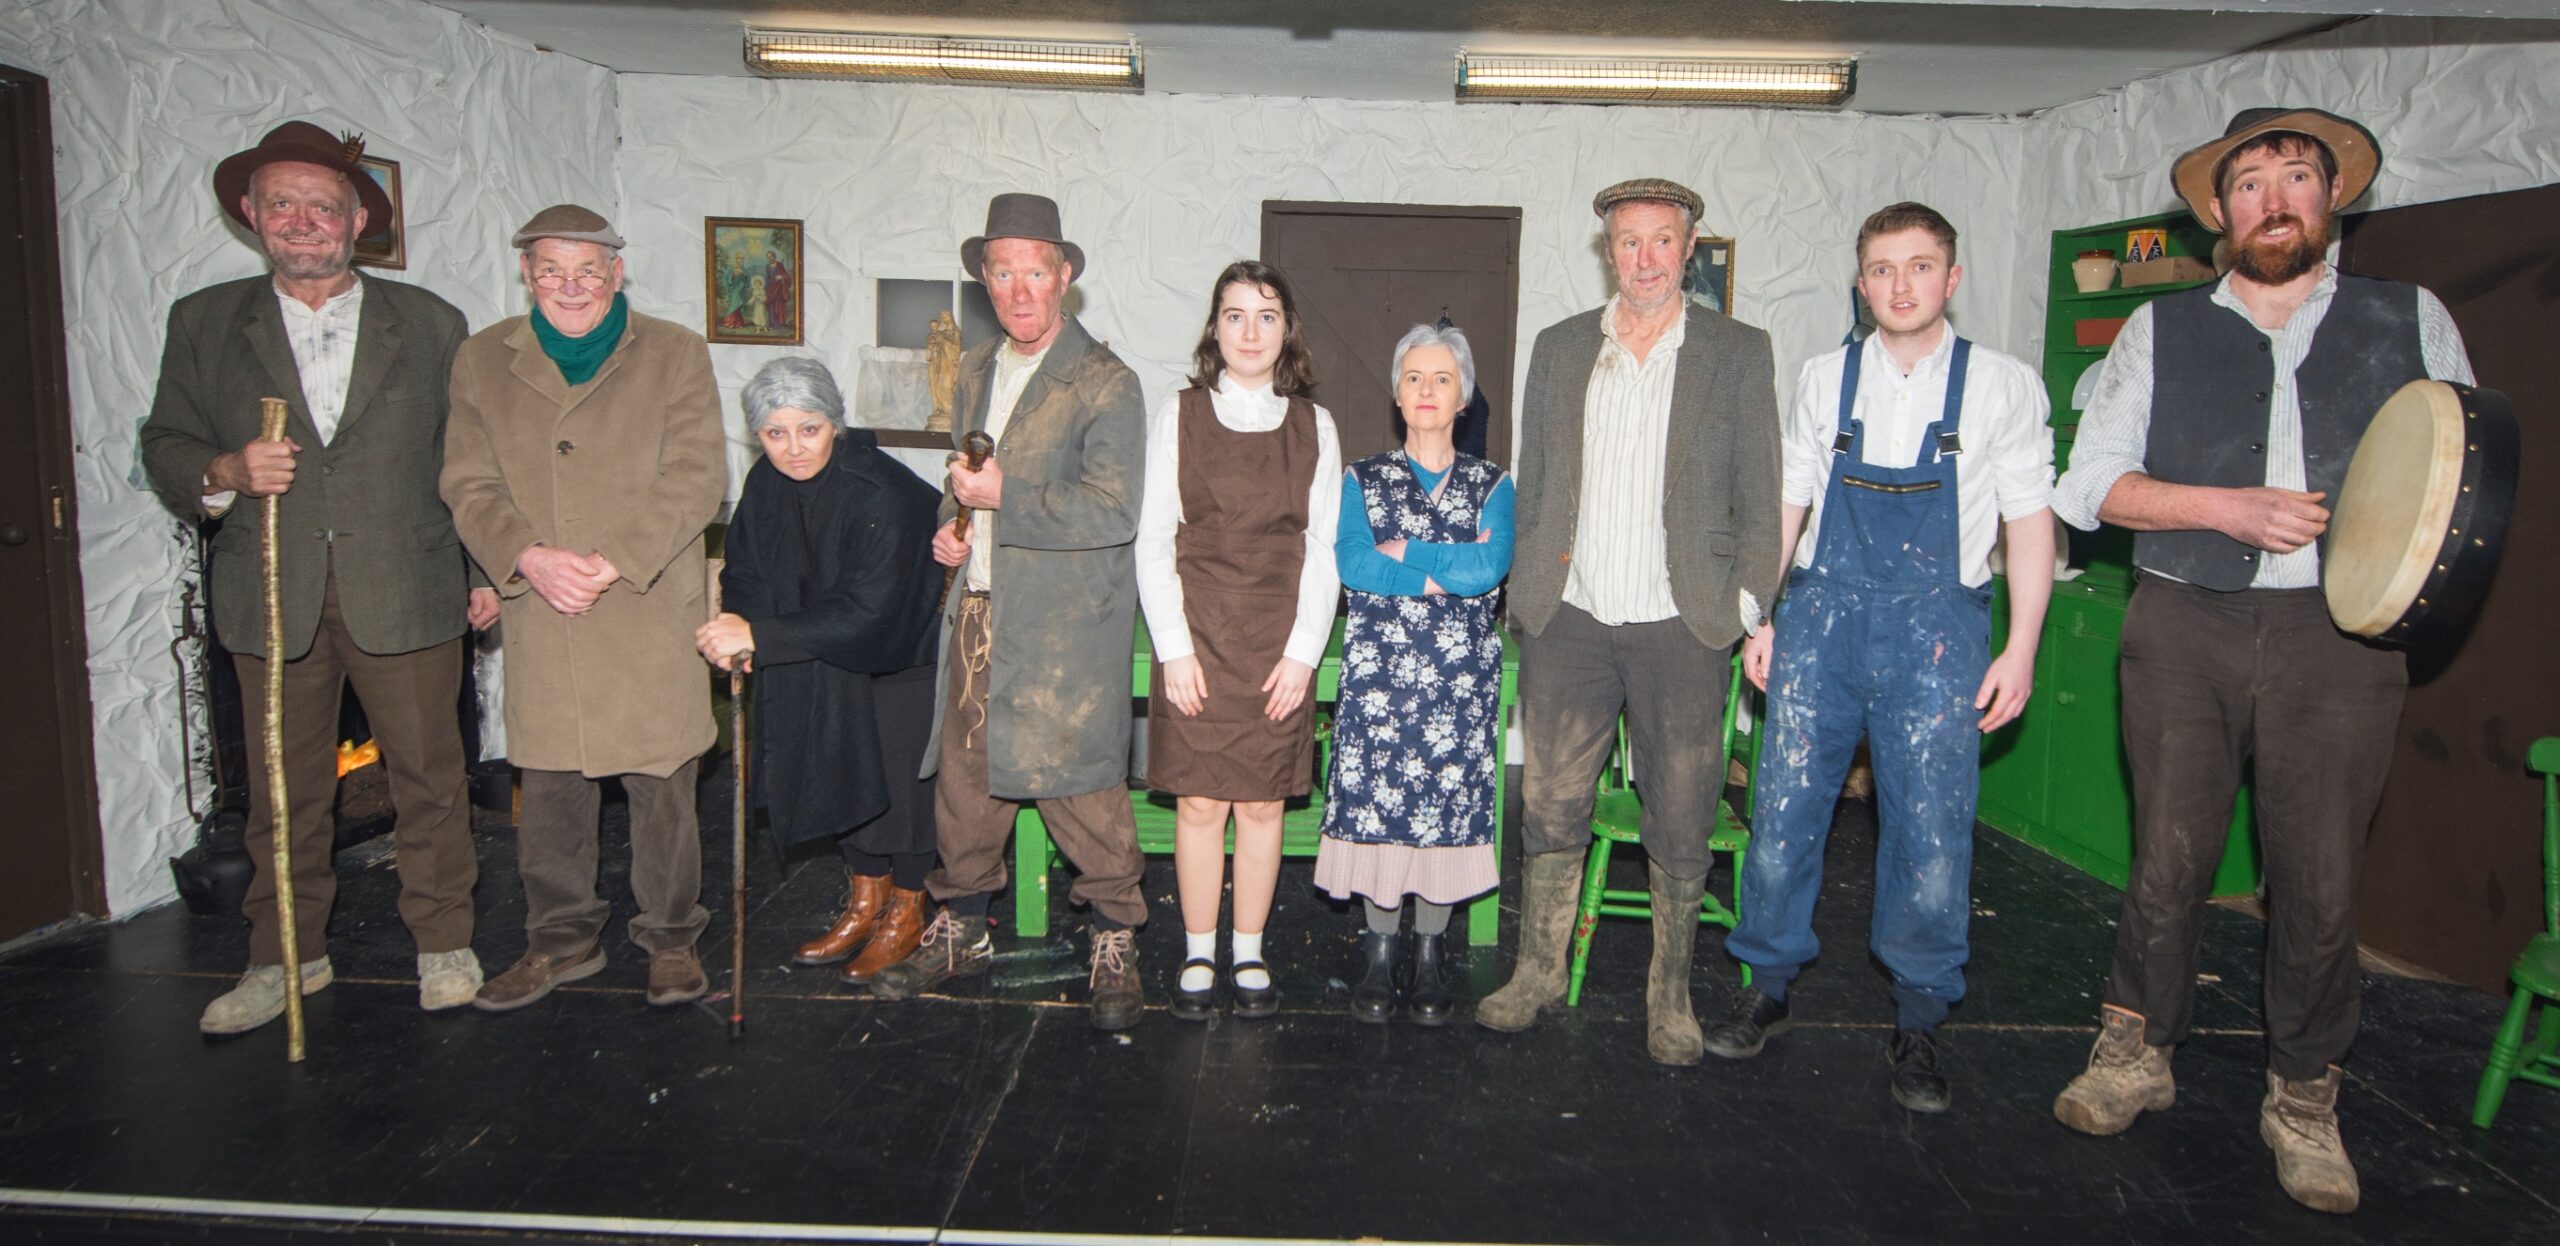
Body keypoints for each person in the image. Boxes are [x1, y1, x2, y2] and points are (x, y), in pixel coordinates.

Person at [2048, 109, 2473, 1214]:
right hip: (2184, 621)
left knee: (2319, 874)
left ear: (2333, 200)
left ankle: (2303, 1096)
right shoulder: (2159, 327)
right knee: (2168, 854)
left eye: (2295, 178)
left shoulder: (2409, 318)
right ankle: (2135, 1050)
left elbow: (2459, 469)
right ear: (2218, 212)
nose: (2273, 200)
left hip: (2342, 638)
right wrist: (2221, 508)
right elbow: (2089, 483)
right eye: (2249, 184)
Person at [1703, 203, 2057, 1113]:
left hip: (1940, 636)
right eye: (1883, 270)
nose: (1902, 285)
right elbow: (1790, 502)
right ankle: (1766, 984)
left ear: (1952, 277)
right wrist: (1762, 616)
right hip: (1821, 622)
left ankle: (1921, 1016)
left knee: (1932, 830)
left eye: (1921, 266)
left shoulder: (2002, 386)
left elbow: (2029, 522)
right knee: (1783, 811)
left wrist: (2020, 648)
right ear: (1860, 285)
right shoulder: (1826, 378)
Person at [141, 120, 493, 1035]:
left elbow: (467, 458)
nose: (302, 221)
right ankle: (284, 957)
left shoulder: (429, 322)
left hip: (407, 583)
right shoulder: (206, 322)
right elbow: (165, 441)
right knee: (282, 791)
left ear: (357, 220)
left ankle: (444, 945)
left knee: (429, 777)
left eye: (323, 206)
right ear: (251, 214)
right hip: (270, 589)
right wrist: (224, 468)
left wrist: (484, 569)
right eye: (282, 204)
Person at [1477, 177, 1784, 1065]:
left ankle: (1669, 995)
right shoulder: (1561, 346)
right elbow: (1538, 480)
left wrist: (1741, 606)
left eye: (1662, 241)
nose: (1645, 258)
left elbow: (1762, 494)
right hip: (1569, 617)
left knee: (1682, 813)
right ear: (1607, 250)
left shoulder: (1737, 352)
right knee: (1549, 802)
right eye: (1628, 241)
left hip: (1681, 624)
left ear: (1688, 250)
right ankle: (1538, 972)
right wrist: (1526, 592)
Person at [866, 193, 1153, 1031]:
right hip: (980, 609)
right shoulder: (975, 369)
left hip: (1062, 624)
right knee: (965, 779)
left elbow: (1114, 511)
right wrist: (952, 527)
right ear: (985, 282)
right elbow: (966, 481)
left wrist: (1005, 496)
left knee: (1082, 785)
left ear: (1063, 277)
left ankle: (1114, 935)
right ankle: (960, 929)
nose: (1019, 290)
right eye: (1002, 273)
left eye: (1035, 272)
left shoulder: (1105, 381)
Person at [440, 204, 728, 1012]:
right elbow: (467, 481)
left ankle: (671, 938)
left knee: (662, 783)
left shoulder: (674, 352)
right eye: (552, 271)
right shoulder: (482, 360)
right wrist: (526, 557)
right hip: (544, 603)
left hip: (643, 599)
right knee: (551, 784)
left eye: (588, 271)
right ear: (526, 273)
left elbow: (697, 478)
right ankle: (561, 942)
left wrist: (611, 561)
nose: (571, 287)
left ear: (616, 273)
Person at [696, 357, 943, 984]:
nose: (794, 448)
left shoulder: (882, 491)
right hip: (819, 650)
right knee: (839, 771)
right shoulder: (766, 481)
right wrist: (738, 624)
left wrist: (762, 635)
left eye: (809, 429)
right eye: (775, 433)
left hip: (898, 655)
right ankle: (866, 900)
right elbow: (745, 567)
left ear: (835, 423)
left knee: (900, 788)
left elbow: (873, 608)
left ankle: (908, 907)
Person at [1137, 262, 1341, 1021]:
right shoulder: (1179, 414)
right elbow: (1153, 539)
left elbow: (1324, 550)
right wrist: (1174, 647)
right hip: (1196, 636)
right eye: (1234, 315)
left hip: (1276, 643)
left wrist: (1303, 653)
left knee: (1261, 807)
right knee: (1198, 803)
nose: (1250, 332)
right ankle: (1198, 948)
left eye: (1266, 316)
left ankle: (1248, 949)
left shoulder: (1315, 426)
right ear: (1214, 329)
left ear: (1287, 332)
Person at [1317, 324, 1513, 1025]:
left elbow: (1489, 567)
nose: (1427, 390)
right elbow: (1352, 563)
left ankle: (1429, 953)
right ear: (1398, 396)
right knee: (1380, 809)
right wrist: (1441, 575)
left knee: (1445, 812)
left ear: (1463, 399)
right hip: (1381, 685)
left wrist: (1407, 552)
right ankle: (1379, 951)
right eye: (1413, 378)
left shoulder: (1494, 484)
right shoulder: (1361, 480)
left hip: (1459, 685)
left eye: (1442, 379)